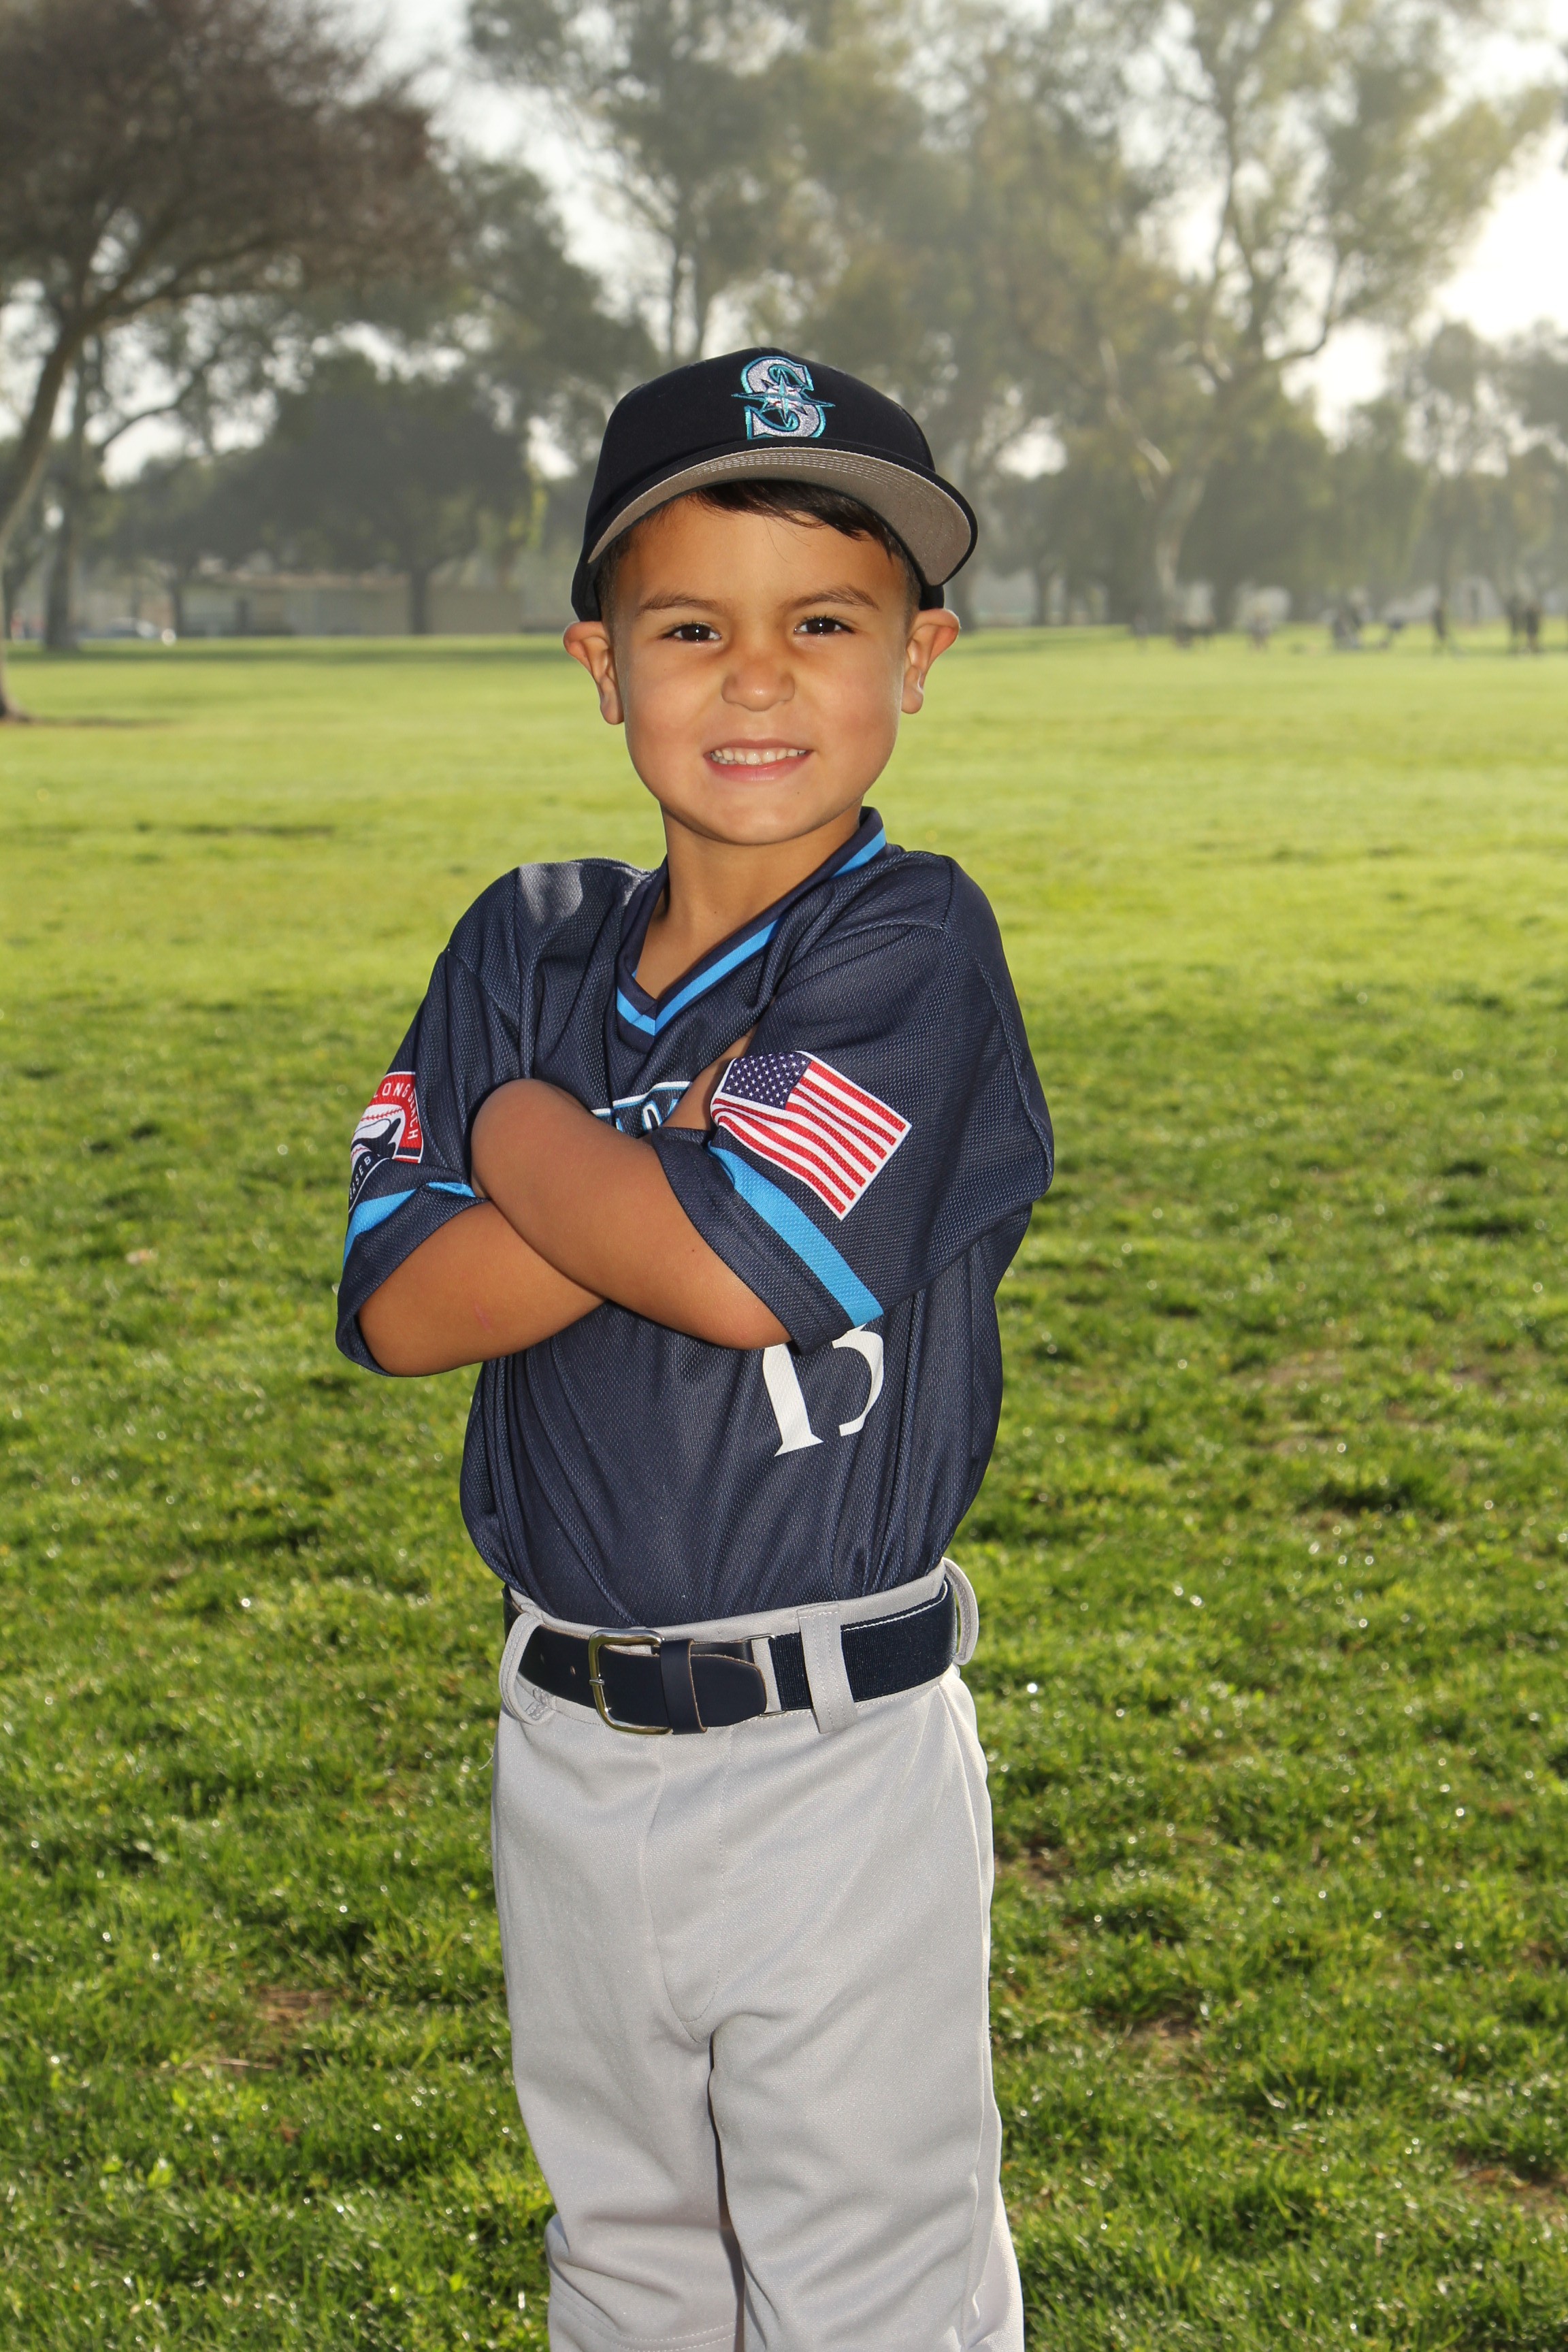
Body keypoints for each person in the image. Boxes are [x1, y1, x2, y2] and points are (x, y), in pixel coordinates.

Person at [336, 348, 1054, 2351]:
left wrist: (525, 1134)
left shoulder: (909, 942)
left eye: (823, 622)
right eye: (689, 627)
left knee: (866, 2292)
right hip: (564, 1737)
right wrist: (628, 1157)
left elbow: (744, 1273)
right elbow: (405, 1307)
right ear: (599, 662)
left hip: (834, 1756)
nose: (756, 677)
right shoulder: (527, 939)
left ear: (918, 658)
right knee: (628, 2263)